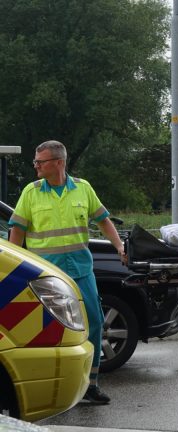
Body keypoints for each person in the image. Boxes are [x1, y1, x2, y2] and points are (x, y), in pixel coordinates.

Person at [9, 140, 127, 405]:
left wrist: (119, 245)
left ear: (59, 163)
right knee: (47, 330)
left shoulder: (83, 189)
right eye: (36, 161)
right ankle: (48, 387)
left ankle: (91, 384)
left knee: (95, 323)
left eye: (41, 162)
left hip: (80, 270)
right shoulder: (31, 191)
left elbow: (103, 220)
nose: (36, 166)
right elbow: (17, 230)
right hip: (45, 275)